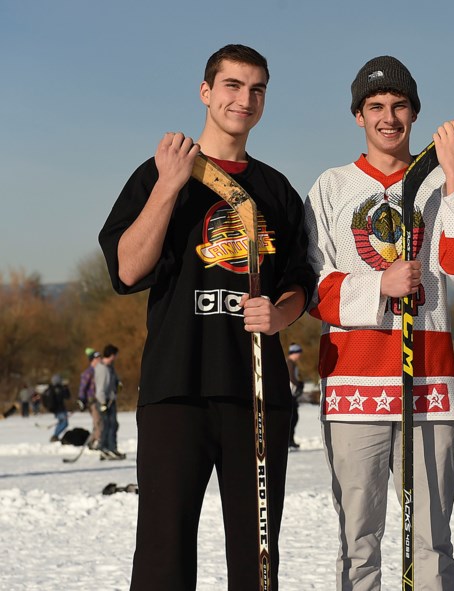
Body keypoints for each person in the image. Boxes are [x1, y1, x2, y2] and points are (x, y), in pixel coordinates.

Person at [98, 44, 315, 589]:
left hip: (258, 396)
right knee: (163, 556)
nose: (245, 99)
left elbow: (299, 287)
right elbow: (127, 270)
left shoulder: (276, 190)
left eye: (257, 89)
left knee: (257, 561)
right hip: (177, 391)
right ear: (206, 92)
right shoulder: (160, 173)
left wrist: (280, 314)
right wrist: (171, 185)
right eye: (233, 86)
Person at [303, 55, 454, 590]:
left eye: (400, 105)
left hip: (427, 383)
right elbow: (312, 287)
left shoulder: (439, 181)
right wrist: (377, 287)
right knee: (358, 541)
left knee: (431, 541)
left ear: (415, 112)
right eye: (376, 106)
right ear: (357, 115)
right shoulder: (331, 187)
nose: (389, 117)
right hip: (355, 385)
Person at [93, 344, 123, 460]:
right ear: (111, 355)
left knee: (113, 424)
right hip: (104, 402)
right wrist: (103, 403)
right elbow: (100, 389)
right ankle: (105, 448)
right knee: (107, 425)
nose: (116, 358)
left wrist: (118, 384)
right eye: (115, 356)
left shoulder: (110, 368)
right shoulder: (102, 369)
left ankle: (112, 448)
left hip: (111, 400)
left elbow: (114, 381)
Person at [78, 350, 102, 448]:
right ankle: (95, 441)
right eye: (97, 358)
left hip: (99, 400)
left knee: (100, 422)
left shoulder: (100, 371)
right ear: (93, 360)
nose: (100, 360)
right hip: (92, 401)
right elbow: (82, 387)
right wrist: (81, 399)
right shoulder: (88, 372)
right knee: (97, 422)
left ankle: (94, 440)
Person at [286, 343, 304, 449]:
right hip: (290, 394)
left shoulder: (291, 363)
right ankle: (289, 441)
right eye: (299, 353)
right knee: (292, 418)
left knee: (294, 418)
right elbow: (292, 377)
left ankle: (290, 440)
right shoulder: (290, 363)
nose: (299, 356)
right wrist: (299, 385)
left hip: (292, 394)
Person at [44, 374, 71, 442]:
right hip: (60, 409)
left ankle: (55, 436)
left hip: (56, 409)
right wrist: (66, 388)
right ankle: (55, 436)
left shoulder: (50, 388)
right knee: (64, 423)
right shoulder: (58, 389)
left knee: (61, 422)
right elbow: (67, 396)